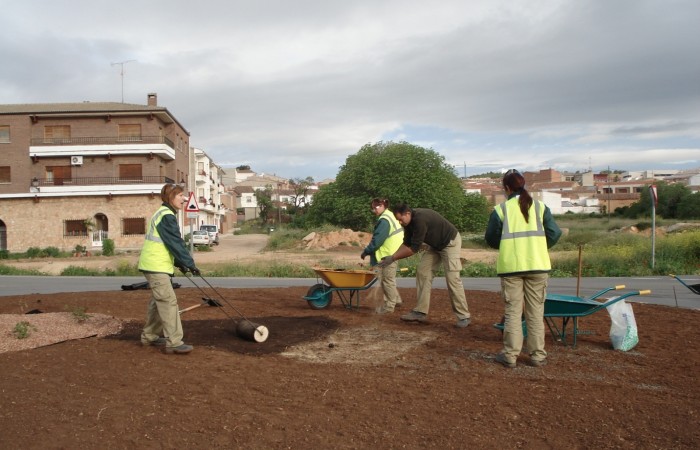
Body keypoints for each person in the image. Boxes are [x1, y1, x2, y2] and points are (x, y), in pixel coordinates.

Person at [485, 169, 562, 368]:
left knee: (512, 312)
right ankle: (537, 356)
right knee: (536, 312)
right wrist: (538, 248)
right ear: (523, 184)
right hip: (538, 266)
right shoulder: (540, 207)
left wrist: (507, 247)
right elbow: (554, 233)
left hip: (511, 267)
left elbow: (491, 238)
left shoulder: (501, 210)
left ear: (507, 188)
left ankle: (510, 355)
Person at [379, 203, 471, 328]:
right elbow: (406, 244)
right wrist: (392, 256)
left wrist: (393, 258)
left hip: (450, 243)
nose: (400, 222)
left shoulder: (420, 220)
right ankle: (420, 311)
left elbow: (413, 249)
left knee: (452, 279)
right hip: (435, 245)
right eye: (398, 220)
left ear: (408, 213)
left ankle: (464, 316)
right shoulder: (408, 223)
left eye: (401, 219)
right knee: (423, 273)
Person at [138, 183, 200, 355]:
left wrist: (182, 264)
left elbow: (169, 245)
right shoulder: (166, 216)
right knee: (168, 302)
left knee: (158, 302)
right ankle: (174, 343)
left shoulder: (163, 214)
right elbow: (175, 242)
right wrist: (189, 263)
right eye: (180, 195)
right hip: (155, 266)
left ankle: (149, 336)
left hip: (155, 265)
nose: (184, 199)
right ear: (170, 198)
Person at [360, 198, 404, 314]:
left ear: (383, 206)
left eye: (376, 207)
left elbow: (377, 240)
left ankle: (389, 307)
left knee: (386, 281)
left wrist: (366, 251)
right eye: (373, 208)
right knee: (389, 280)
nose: (374, 210)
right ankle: (396, 300)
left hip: (387, 255)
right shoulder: (390, 215)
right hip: (393, 252)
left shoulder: (384, 220)